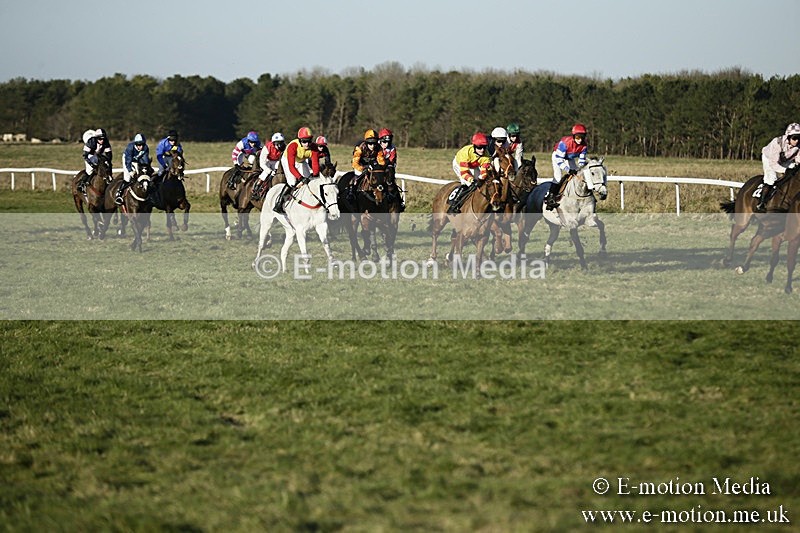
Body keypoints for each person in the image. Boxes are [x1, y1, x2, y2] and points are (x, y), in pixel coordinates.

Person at [276, 126, 321, 214]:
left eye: (309, 141)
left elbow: (315, 164)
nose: (307, 144)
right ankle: (279, 203)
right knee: (292, 182)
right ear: (300, 140)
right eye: (304, 141)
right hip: (287, 161)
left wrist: (315, 175)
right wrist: (300, 178)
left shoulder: (314, 147)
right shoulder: (293, 146)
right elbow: (291, 167)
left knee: (310, 181)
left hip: (301, 161)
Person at [756, 122, 800, 212]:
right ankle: (761, 203)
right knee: (771, 179)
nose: (797, 141)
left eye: (799, 138)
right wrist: (786, 170)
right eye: (794, 138)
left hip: (784, 160)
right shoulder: (777, 143)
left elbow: (798, 161)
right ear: (788, 137)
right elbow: (774, 164)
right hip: (769, 159)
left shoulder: (798, 146)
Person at [546, 123, 589, 210]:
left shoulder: (584, 146)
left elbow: (581, 161)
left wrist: (580, 169)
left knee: (578, 174)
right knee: (558, 177)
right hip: (558, 157)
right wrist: (568, 170)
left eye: (582, 137)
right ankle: (550, 198)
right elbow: (559, 160)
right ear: (573, 136)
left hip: (569, 158)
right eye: (578, 137)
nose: (580, 140)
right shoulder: (564, 143)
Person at [448, 132, 491, 213]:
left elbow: (484, 172)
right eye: (479, 147)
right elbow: (464, 173)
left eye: (484, 147)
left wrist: (481, 179)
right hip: (459, 164)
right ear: (474, 146)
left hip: (473, 165)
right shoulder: (466, 153)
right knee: (468, 184)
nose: (482, 150)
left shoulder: (486, 155)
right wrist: (472, 180)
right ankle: (454, 205)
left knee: (482, 184)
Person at [347, 129, 387, 201]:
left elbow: (381, 161)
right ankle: (351, 192)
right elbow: (355, 162)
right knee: (358, 174)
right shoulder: (359, 148)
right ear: (366, 142)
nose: (373, 146)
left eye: (374, 143)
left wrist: (381, 168)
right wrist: (363, 168)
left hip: (372, 165)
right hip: (359, 164)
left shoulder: (379, 148)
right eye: (370, 143)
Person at [116, 133, 152, 205]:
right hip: (127, 160)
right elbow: (128, 161)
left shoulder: (145, 148)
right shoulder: (130, 148)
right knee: (127, 178)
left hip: (137, 160)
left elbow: (145, 162)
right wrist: (130, 171)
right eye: (138, 145)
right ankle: (119, 194)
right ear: (135, 144)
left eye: (142, 144)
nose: (140, 146)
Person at [251, 132, 287, 202]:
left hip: (277, 161)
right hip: (267, 161)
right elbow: (262, 163)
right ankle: (256, 189)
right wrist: (269, 171)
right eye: (278, 143)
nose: (280, 145)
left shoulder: (285, 147)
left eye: (281, 143)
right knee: (265, 174)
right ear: (273, 143)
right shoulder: (267, 147)